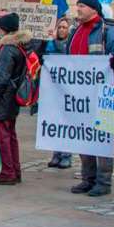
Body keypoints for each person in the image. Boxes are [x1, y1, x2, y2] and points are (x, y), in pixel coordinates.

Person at [68, 0, 114, 197]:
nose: (78, 9)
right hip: (80, 95)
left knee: (102, 138)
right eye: (78, 5)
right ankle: (87, 178)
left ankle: (103, 181)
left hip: (101, 93)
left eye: (82, 5)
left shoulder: (106, 31)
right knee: (84, 137)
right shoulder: (75, 32)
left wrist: (113, 62)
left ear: (94, 9)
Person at [0, 12, 31, 185]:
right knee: (10, 135)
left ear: (4, 30)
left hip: (4, 99)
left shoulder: (8, 50)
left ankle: (7, 173)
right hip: (11, 98)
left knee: (3, 136)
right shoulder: (18, 47)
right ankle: (14, 170)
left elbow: (1, 79)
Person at [44, 16, 74, 170]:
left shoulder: (70, 43)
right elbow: (48, 56)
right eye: (60, 27)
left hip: (68, 88)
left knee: (66, 121)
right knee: (55, 121)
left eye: (64, 27)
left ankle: (67, 155)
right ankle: (56, 154)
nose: (62, 30)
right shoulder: (52, 44)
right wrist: (50, 40)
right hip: (54, 88)